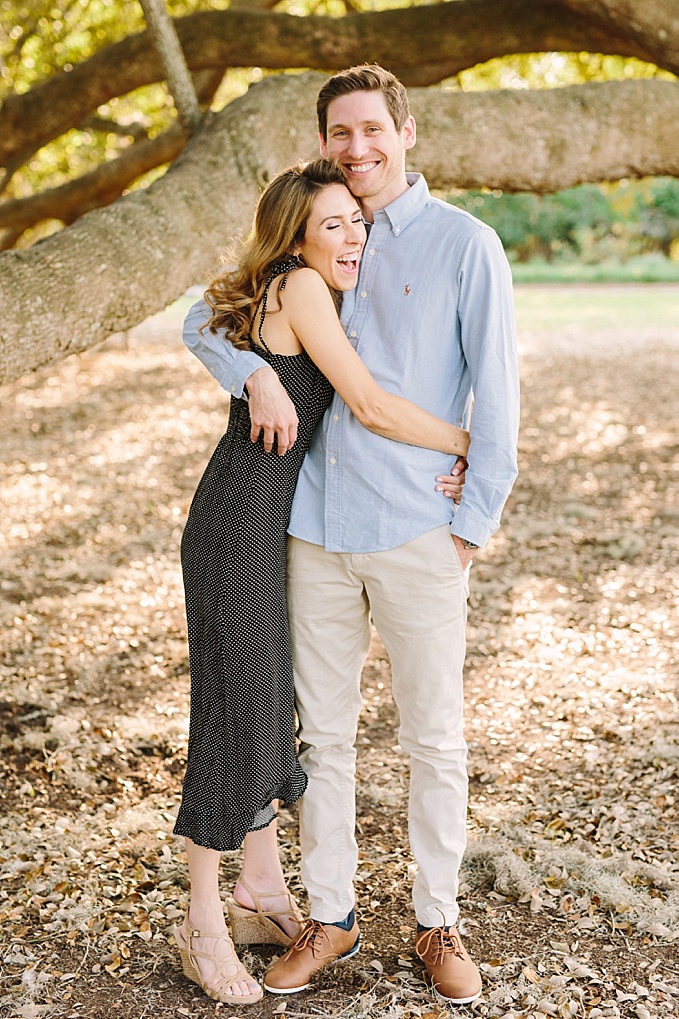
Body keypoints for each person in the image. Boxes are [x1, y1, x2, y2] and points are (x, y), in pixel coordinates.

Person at [183, 64, 520, 1005]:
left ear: (406, 131)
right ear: (325, 141)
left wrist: (471, 520)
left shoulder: (465, 244)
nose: (358, 148)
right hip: (311, 531)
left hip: (418, 529)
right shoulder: (313, 231)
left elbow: (495, 393)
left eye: (373, 129)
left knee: (434, 740)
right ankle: (329, 915)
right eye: (341, 132)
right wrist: (244, 369)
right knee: (322, 740)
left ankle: (436, 916)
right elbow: (206, 310)